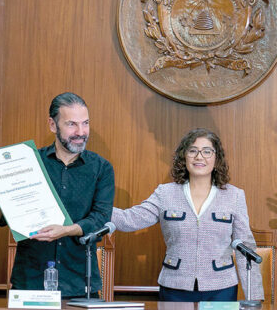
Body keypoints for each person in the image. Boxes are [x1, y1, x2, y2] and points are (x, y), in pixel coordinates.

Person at [0, 92, 115, 298]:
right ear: (53, 125)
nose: (81, 132)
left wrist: (66, 230)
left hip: (78, 282)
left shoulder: (101, 168)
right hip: (30, 279)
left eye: (85, 123)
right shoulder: (27, 162)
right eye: (71, 124)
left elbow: (101, 219)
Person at [112, 128, 264, 302]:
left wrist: (255, 296)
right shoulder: (165, 194)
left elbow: (245, 247)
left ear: (217, 158)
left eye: (207, 151)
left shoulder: (234, 196)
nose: (199, 157)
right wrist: (92, 207)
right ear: (184, 157)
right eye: (193, 151)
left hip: (221, 288)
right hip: (175, 287)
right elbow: (129, 220)